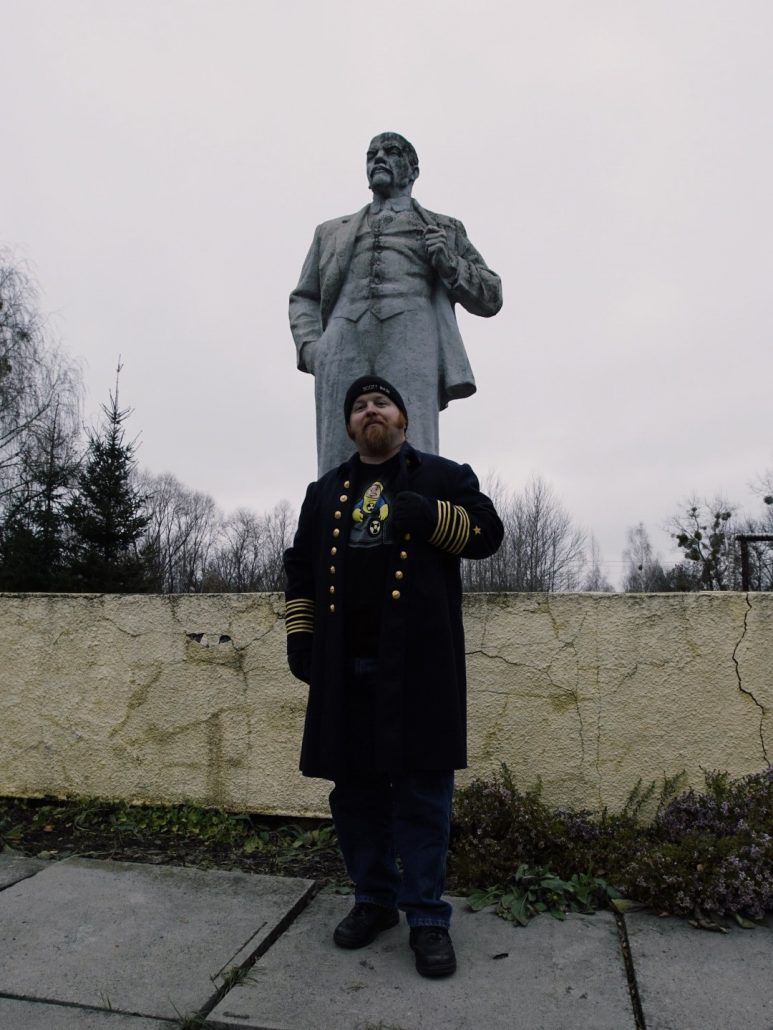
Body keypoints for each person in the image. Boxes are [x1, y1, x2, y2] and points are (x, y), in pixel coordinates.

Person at [283, 376, 504, 978]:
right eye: (358, 406)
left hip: (419, 669)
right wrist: (300, 637)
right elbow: (299, 568)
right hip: (344, 668)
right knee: (353, 795)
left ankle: (428, 917)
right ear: (349, 426)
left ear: (403, 420)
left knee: (422, 796)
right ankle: (374, 901)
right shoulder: (323, 492)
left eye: (381, 402)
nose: (369, 410)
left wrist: (433, 517)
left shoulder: (444, 475)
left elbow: (489, 535)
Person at [289, 132, 503, 475]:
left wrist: (450, 264)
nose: (378, 158)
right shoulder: (329, 232)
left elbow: (491, 295)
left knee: (413, 451)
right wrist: (313, 349)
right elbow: (304, 297)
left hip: (412, 339)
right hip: (341, 344)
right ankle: (335, 527)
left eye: (391, 152)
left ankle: (412, 525)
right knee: (338, 461)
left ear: (413, 169)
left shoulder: (445, 228)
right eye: (371, 154)